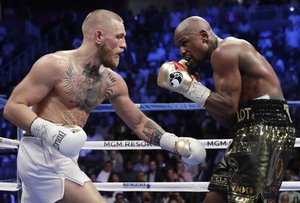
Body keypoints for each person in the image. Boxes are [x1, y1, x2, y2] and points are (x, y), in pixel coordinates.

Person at [3, 10, 206, 203]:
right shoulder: (55, 65)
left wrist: (175, 144)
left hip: (66, 155)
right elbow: (13, 107)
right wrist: (53, 133)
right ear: (99, 36)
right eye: (119, 37)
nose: (125, 45)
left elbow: (138, 122)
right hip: (42, 153)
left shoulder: (113, 82)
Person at [157, 16, 296, 203]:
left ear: (204, 36)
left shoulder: (225, 51)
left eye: (184, 43)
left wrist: (189, 88)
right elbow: (229, 118)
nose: (182, 51)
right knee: (215, 198)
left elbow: (229, 108)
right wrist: (191, 89)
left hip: (265, 127)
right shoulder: (220, 62)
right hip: (248, 129)